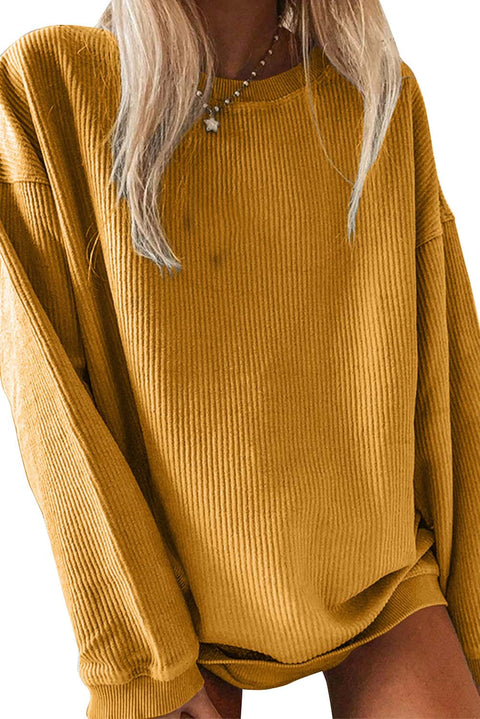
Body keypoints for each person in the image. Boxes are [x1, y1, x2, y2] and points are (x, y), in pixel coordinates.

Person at [1, 1, 479, 717]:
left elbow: (450, 384)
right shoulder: (50, 85)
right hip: (172, 608)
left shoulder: (378, 96)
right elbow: (54, 413)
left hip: (381, 589)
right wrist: (146, 663)